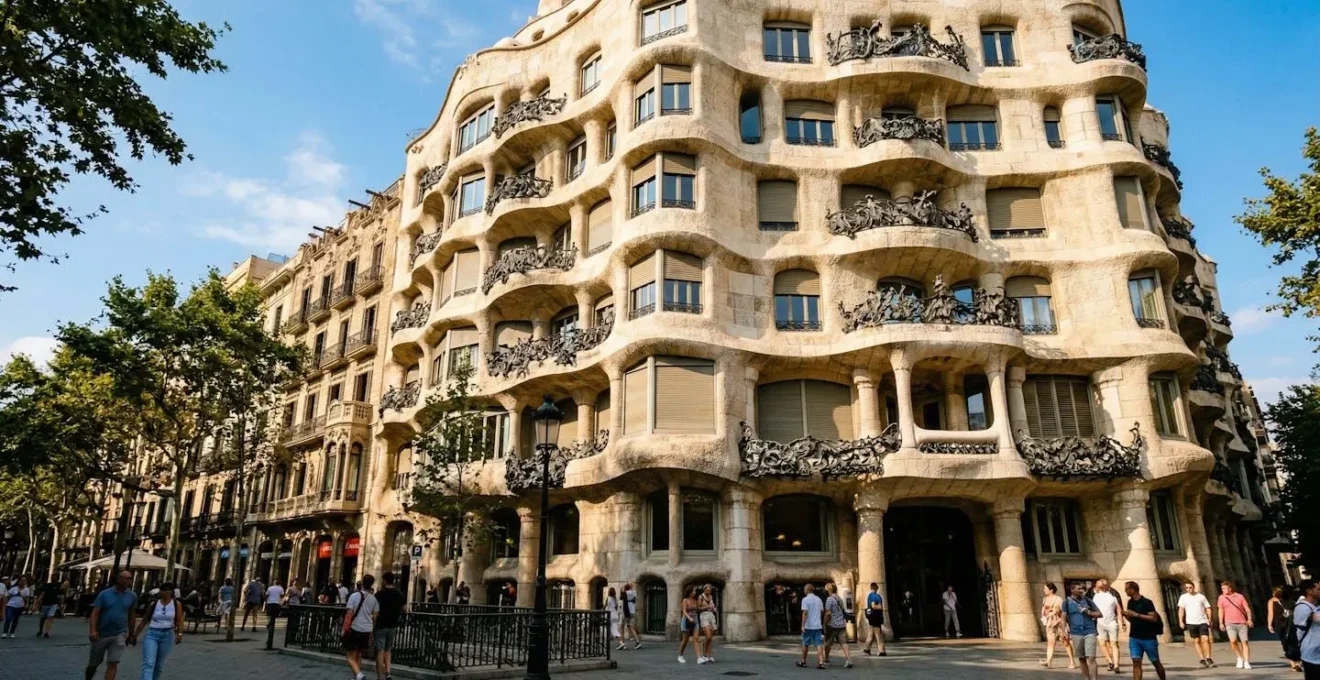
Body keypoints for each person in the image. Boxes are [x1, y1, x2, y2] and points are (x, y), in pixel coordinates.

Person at [87, 571, 138, 680]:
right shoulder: (104, 594)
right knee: (94, 664)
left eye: (130, 578)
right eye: (126, 578)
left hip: (120, 633)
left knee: (113, 663)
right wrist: (93, 630)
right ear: (118, 579)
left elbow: (131, 615)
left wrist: (131, 633)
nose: (129, 581)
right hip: (101, 634)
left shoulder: (132, 596)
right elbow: (95, 613)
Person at [134, 581, 183, 680]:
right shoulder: (154, 604)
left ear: (172, 592)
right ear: (160, 591)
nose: (166, 592)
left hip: (167, 635)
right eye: (164, 590)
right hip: (152, 634)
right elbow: (144, 620)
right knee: (149, 663)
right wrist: (135, 635)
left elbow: (179, 620)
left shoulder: (176, 604)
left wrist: (180, 633)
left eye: (169, 590)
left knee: (159, 665)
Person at [1122, 581, 1165, 680]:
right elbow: (1132, 620)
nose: (1125, 591)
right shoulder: (1130, 602)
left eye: (1127, 589)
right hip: (1134, 637)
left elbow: (1154, 618)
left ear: (1133, 589)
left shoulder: (1146, 602)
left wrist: (1137, 615)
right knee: (1136, 662)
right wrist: (1126, 615)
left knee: (1155, 661)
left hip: (1148, 637)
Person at [1064, 582, 1103, 680]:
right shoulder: (1066, 602)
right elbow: (1063, 617)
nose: (1081, 590)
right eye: (1078, 589)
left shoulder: (1088, 601)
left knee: (1091, 657)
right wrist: (1063, 631)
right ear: (1072, 590)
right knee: (1081, 658)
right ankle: (1086, 678)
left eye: (1082, 588)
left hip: (1089, 631)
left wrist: (1088, 612)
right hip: (1076, 633)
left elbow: (1100, 614)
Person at [343, 574, 379, 680]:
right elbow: (375, 617)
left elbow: (349, 614)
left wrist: (344, 628)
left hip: (355, 628)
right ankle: (356, 677)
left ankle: (359, 675)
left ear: (362, 583)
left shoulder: (354, 596)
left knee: (350, 656)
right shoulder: (374, 599)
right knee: (359, 654)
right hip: (367, 629)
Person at [374, 572, 407, 680]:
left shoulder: (379, 594)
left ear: (384, 580)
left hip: (381, 625)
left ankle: (380, 676)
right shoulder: (399, 594)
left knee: (380, 650)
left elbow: (374, 610)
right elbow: (405, 609)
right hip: (393, 625)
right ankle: (388, 672)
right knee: (388, 649)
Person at [1177, 580, 1216, 668]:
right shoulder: (1183, 597)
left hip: (1202, 621)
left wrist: (1209, 618)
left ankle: (1208, 657)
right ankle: (1202, 659)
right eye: (1186, 588)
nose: (1188, 589)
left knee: (1206, 639)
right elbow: (1181, 610)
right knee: (1197, 641)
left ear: (1193, 587)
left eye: (1190, 587)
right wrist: (1181, 621)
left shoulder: (1201, 596)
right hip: (1191, 622)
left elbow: (1208, 607)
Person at [1217, 580, 1254, 669]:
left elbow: (1247, 608)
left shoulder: (1240, 596)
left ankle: (1246, 661)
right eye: (1222, 588)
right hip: (1229, 623)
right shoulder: (1221, 598)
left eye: (1224, 588)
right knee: (1233, 641)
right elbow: (1221, 610)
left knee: (1244, 642)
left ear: (1230, 588)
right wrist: (1221, 622)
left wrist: (1249, 619)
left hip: (1242, 623)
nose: (1222, 590)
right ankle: (1239, 657)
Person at [1040, 582, 1076, 669]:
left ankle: (1072, 662)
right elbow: (1043, 610)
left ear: (1051, 590)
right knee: (1050, 642)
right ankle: (1048, 661)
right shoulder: (1045, 599)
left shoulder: (1058, 599)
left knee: (1065, 642)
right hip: (1050, 623)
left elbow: (1064, 612)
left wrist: (1058, 620)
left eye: (1045, 589)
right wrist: (1044, 616)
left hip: (1060, 623)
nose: (1044, 590)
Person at [1092, 578, 1123, 674]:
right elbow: (1119, 611)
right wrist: (1121, 622)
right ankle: (1116, 665)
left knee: (1103, 644)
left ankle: (1111, 662)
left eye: (1097, 586)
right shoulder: (1113, 597)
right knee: (1114, 644)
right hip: (1111, 623)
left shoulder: (1096, 597)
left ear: (1099, 588)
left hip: (1101, 623)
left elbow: (1093, 610)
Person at [1270, 585, 1303, 673]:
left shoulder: (1289, 603)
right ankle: (1296, 663)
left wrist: (1270, 625)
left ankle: (1295, 664)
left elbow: (1271, 614)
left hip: (1285, 626)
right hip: (1286, 626)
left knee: (1290, 645)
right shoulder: (1293, 603)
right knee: (1291, 644)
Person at [1292, 579, 1320, 679]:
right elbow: (1316, 618)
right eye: (1318, 589)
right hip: (1311, 656)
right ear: (1309, 591)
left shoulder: (1316, 606)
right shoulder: (1302, 608)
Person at [823, 583, 853, 668]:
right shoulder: (839, 598)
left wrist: (824, 623)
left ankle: (826, 659)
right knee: (843, 643)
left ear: (828, 590)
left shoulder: (829, 599)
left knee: (828, 643)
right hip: (841, 624)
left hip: (832, 625)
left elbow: (828, 613)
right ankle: (848, 659)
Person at [796, 583, 826, 669]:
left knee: (805, 643)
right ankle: (821, 662)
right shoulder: (819, 599)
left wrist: (802, 625)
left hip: (808, 626)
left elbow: (805, 612)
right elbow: (822, 611)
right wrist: (818, 619)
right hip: (817, 625)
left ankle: (803, 661)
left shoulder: (805, 600)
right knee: (818, 644)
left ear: (807, 590)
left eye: (804, 589)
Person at [862, 582, 887, 656]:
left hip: (872, 618)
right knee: (878, 634)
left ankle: (866, 648)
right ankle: (881, 650)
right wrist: (880, 606)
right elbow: (874, 606)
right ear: (876, 588)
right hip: (876, 617)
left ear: (871, 588)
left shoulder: (870, 595)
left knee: (871, 634)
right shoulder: (875, 596)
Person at [698, 584, 719, 664]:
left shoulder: (711, 596)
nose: (708, 592)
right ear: (704, 590)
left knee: (710, 638)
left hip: (711, 616)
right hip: (704, 616)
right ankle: (704, 654)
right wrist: (707, 607)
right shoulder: (701, 597)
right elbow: (698, 608)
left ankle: (708, 655)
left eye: (709, 590)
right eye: (707, 590)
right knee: (708, 636)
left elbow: (712, 607)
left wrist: (713, 609)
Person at [677, 586, 698, 663]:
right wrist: (689, 618)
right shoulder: (685, 600)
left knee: (696, 638)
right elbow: (684, 611)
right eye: (693, 591)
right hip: (686, 620)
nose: (695, 592)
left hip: (694, 620)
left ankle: (700, 657)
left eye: (695, 591)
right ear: (689, 592)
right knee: (685, 640)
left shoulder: (695, 600)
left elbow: (697, 610)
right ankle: (680, 655)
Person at [620, 582, 641, 649]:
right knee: (630, 626)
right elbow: (634, 600)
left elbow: (621, 598)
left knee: (621, 626)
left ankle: (622, 643)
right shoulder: (634, 592)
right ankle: (638, 642)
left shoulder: (626, 593)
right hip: (632, 611)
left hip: (627, 612)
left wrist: (622, 590)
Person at [606, 586, 623, 651]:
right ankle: (621, 642)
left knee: (607, 628)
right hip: (615, 615)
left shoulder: (609, 598)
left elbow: (606, 606)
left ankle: (608, 641)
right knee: (614, 629)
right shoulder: (615, 599)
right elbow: (616, 607)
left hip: (609, 615)